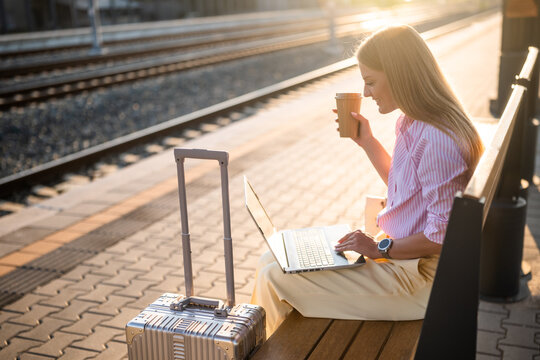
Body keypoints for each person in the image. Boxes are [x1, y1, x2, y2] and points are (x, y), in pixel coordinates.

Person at [250, 24, 484, 335]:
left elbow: (442, 237)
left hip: (419, 281)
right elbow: (406, 189)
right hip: (403, 261)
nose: (365, 93)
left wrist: (379, 247)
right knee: (273, 257)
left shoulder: (437, 139)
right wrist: (368, 141)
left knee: (274, 277)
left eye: (371, 82)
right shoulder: (412, 122)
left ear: (400, 75)